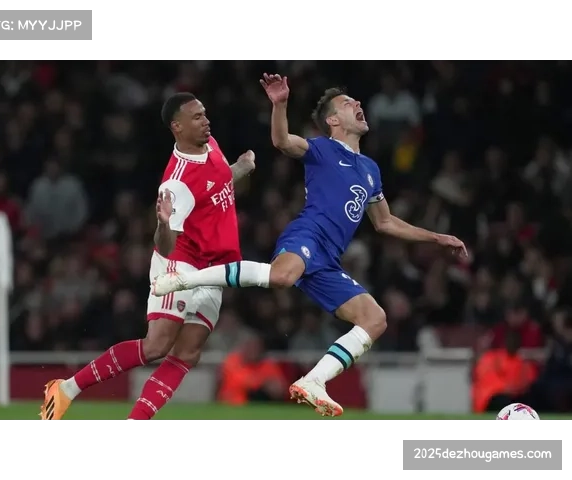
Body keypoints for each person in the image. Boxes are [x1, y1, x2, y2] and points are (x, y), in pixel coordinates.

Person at [152, 74, 467, 417]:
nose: (358, 104)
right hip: (308, 235)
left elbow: (386, 222)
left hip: (329, 259)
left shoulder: (370, 170)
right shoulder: (322, 148)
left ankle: (314, 381)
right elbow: (282, 141)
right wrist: (280, 104)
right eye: (347, 103)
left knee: (375, 318)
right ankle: (184, 280)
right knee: (282, 277)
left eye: (355, 101)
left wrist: (436, 237)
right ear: (333, 121)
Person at [40, 92, 255, 420]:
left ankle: (136, 421)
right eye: (197, 117)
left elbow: (217, 183)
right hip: (180, 265)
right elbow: (165, 246)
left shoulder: (210, 145)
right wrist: (164, 223)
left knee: (188, 352)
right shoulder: (176, 183)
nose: (206, 121)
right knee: (156, 346)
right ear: (177, 127)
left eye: (204, 113)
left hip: (214, 266)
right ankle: (67, 388)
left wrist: (240, 167)